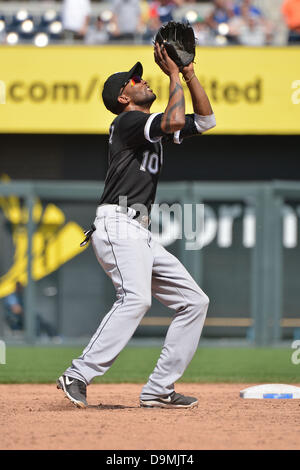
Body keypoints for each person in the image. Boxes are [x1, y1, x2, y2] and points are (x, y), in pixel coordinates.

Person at [57, 43, 216, 409]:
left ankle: (159, 389)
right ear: (123, 96)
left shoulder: (148, 126)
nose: (142, 80)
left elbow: (205, 120)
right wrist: (174, 74)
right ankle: (77, 374)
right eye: (134, 79)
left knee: (194, 301)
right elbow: (175, 120)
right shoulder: (127, 122)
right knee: (136, 298)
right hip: (117, 223)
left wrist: (189, 75)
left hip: (139, 232)